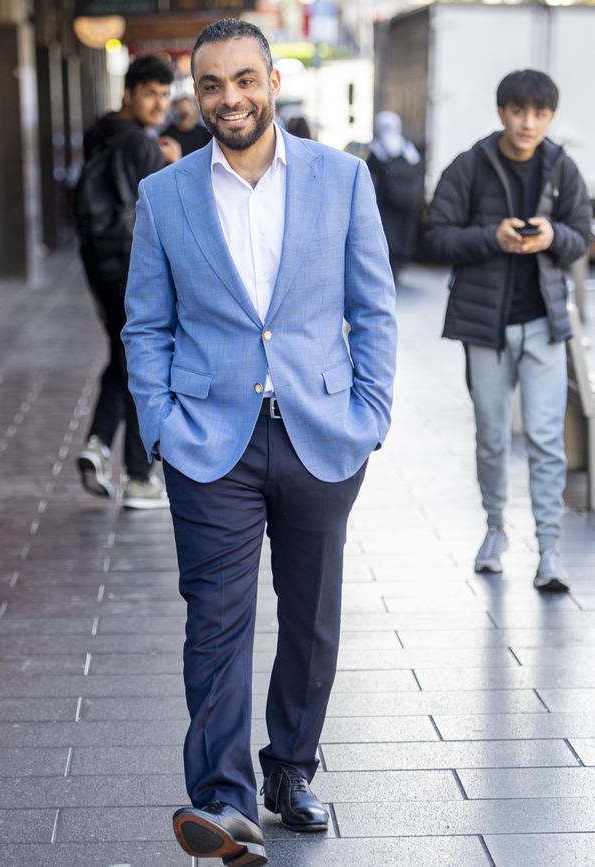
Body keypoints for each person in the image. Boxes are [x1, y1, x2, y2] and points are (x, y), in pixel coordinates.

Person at [122, 18, 396, 867]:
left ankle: (289, 772)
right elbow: (146, 325)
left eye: (245, 79)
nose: (229, 97)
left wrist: (371, 413)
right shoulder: (164, 195)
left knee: (311, 621)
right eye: (211, 85)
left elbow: (375, 305)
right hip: (212, 441)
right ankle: (222, 799)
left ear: (273, 82)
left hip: (319, 432)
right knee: (217, 623)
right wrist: (162, 423)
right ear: (192, 93)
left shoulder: (341, 178)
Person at [425, 69, 591, 591]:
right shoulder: (471, 165)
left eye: (540, 113)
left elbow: (583, 235)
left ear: (550, 117)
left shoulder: (561, 166)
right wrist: (491, 237)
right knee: (493, 438)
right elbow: (436, 236)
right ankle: (495, 530)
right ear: (502, 113)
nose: (529, 122)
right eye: (519, 111)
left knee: (545, 439)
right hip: (486, 326)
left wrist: (552, 237)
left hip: (544, 323)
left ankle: (549, 550)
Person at [75, 55, 181, 509]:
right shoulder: (141, 145)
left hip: (99, 264)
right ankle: (139, 476)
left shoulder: (100, 133)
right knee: (144, 361)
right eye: (150, 94)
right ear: (129, 93)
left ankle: (99, 445)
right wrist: (168, 162)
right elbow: (161, 215)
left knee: (125, 357)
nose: (159, 104)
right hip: (130, 267)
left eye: (165, 95)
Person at [366, 111, 423, 279]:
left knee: (387, 235)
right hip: (407, 204)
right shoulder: (408, 148)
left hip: (384, 204)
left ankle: (389, 268)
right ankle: (398, 267)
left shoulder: (376, 148)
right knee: (402, 235)